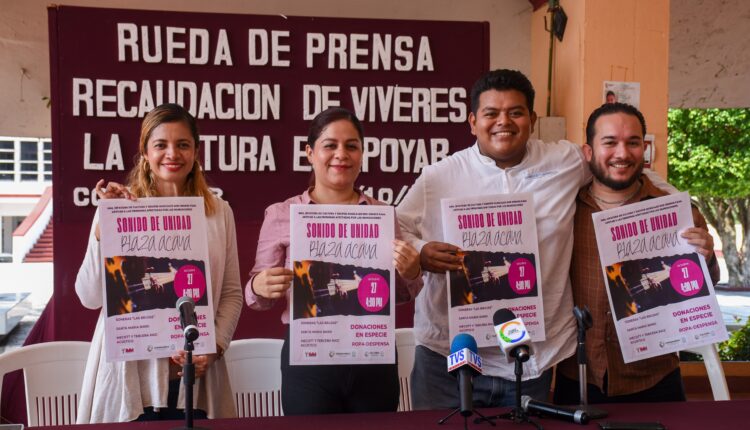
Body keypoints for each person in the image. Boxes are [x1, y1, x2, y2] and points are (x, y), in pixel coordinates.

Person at [397, 69, 590, 409]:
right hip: (448, 359)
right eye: (491, 113)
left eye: (515, 112)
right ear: (473, 122)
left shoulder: (566, 162)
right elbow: (394, 230)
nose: (504, 122)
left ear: (532, 119)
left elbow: (621, 168)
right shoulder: (438, 177)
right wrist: (421, 252)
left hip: (530, 359)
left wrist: (681, 207)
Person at [245, 107, 423, 415]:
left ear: (361, 154)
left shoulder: (382, 214)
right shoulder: (281, 214)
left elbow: (402, 294)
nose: (341, 154)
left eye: (351, 146)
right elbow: (257, 297)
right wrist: (259, 287)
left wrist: (411, 271)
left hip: (373, 356)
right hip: (308, 360)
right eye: (330, 145)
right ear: (310, 153)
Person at [75, 103, 243, 423]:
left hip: (196, 378)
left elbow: (231, 293)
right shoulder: (117, 207)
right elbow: (89, 296)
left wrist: (215, 347)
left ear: (196, 151)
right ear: (145, 152)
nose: (172, 154)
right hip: (131, 379)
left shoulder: (218, 212)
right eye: (161, 145)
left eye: (183, 144)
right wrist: (104, 225)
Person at [553, 102, 720, 404]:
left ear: (644, 149)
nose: (622, 153)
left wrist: (705, 258)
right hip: (578, 376)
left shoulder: (679, 213)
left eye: (632, 143)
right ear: (588, 151)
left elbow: (704, 285)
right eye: (610, 142)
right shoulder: (563, 211)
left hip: (655, 379)